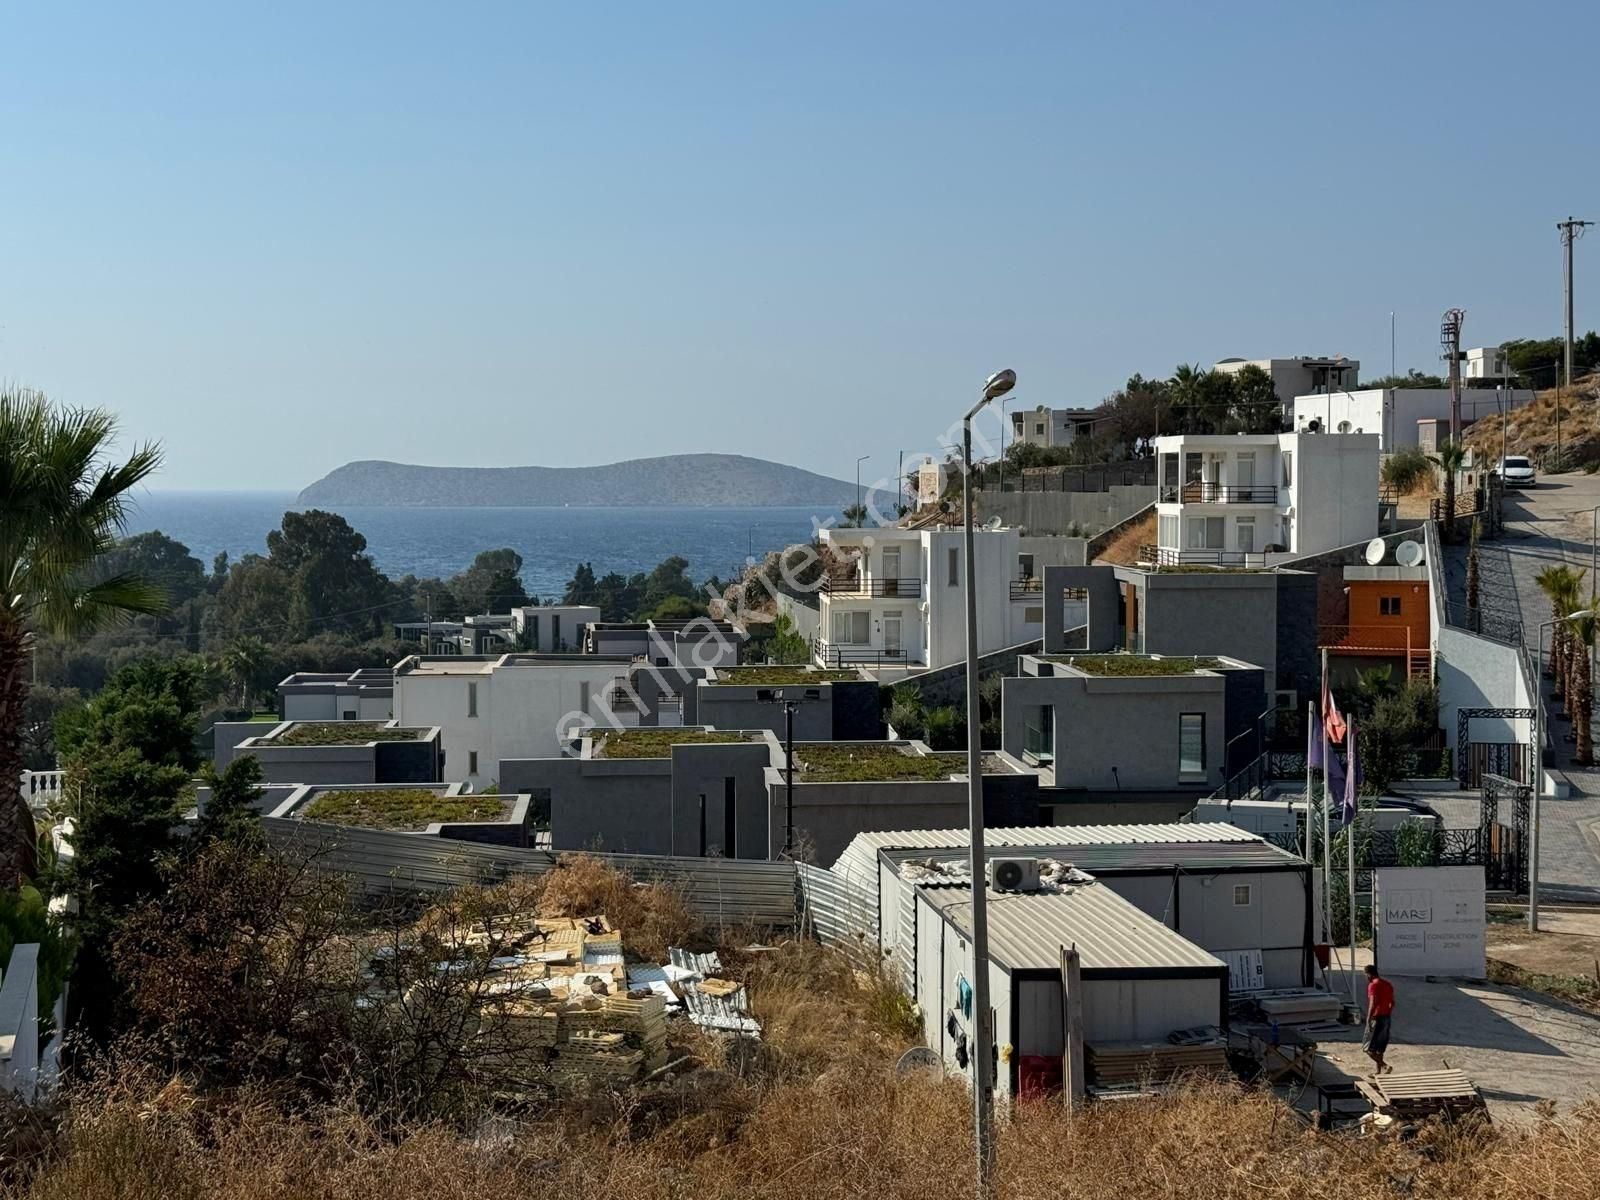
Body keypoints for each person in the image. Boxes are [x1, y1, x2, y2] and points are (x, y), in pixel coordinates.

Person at [1363, 963, 1395, 1075]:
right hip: (1387, 1017)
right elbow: (1392, 1002)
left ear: (1369, 974)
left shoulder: (1373, 985)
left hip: (1376, 1018)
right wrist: (1388, 1012)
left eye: (1366, 975)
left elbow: (1373, 1002)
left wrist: (1368, 1018)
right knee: (1380, 1048)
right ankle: (1378, 1071)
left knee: (1367, 1048)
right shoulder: (1388, 984)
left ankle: (1384, 1066)